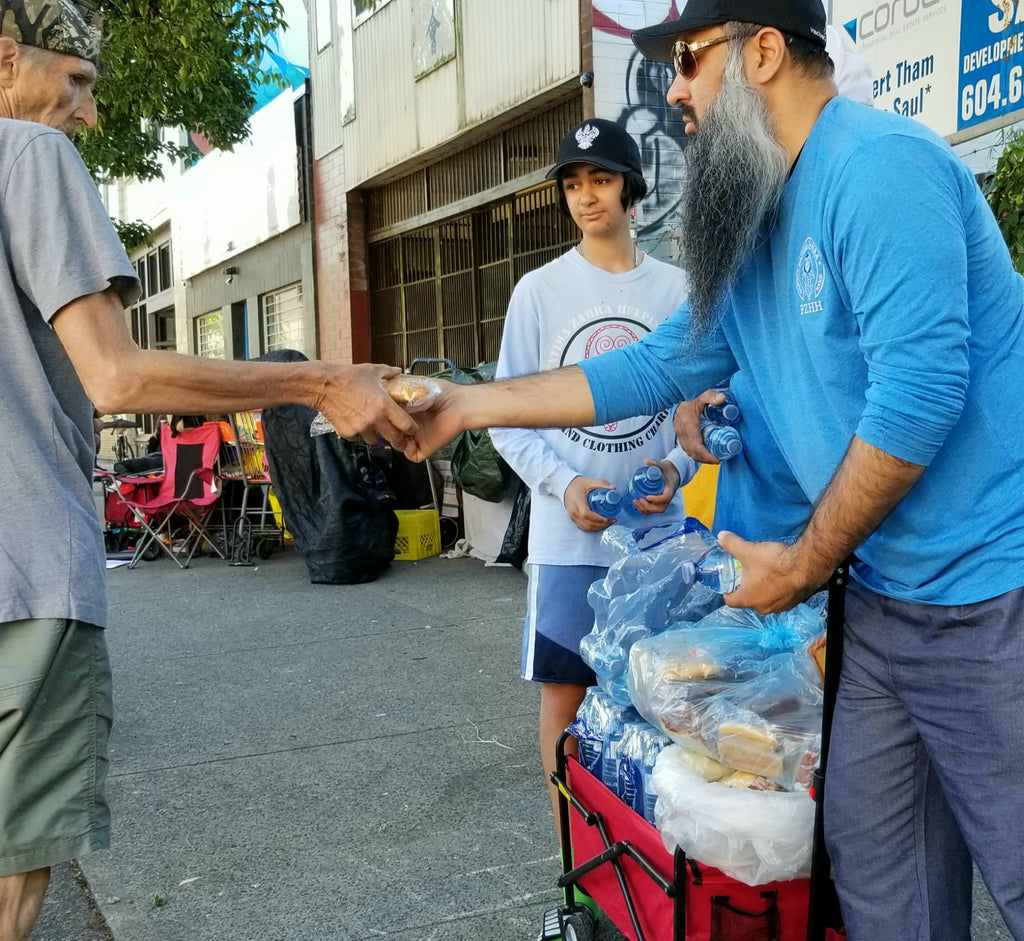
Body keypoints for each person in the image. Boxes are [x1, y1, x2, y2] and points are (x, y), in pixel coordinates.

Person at [402, 1, 1024, 938]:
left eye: (689, 62)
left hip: (992, 590)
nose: (676, 91)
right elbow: (655, 365)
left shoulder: (880, 167)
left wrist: (803, 564)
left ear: (765, 51)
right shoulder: (759, 215)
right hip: (885, 601)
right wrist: (470, 404)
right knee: (880, 874)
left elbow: (921, 395)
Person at [0, 3, 418, 938]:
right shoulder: (26, 158)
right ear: (5, 63)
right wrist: (318, 380)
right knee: (13, 868)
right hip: (22, 570)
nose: (86, 113)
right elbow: (114, 373)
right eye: (74, 80)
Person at [489, 118, 697, 850]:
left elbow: (697, 412)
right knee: (566, 704)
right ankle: (577, 871)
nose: (585, 196)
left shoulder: (677, 289)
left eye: (600, 179)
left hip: (656, 543)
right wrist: (563, 482)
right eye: (573, 184)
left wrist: (673, 467)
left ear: (631, 188)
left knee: (663, 705)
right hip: (566, 546)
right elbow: (507, 418)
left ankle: (652, 872)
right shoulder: (538, 292)